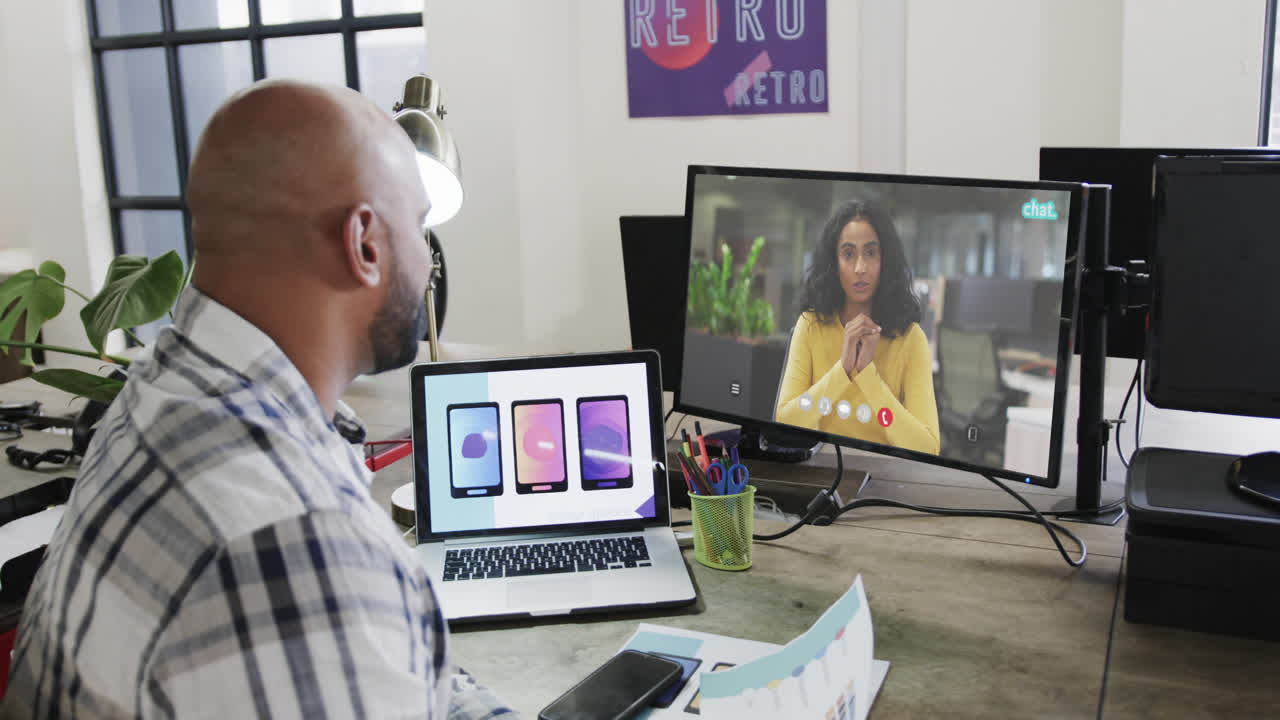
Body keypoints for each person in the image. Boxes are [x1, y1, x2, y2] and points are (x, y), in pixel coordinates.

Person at [2, 80, 515, 719]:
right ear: (363, 243)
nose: (430, 262)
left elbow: (389, 673)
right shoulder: (294, 541)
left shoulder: (160, 393)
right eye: (416, 225)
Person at [775, 199, 940, 455]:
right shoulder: (810, 325)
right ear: (834, 262)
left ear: (886, 261)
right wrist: (843, 371)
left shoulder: (910, 339)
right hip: (818, 473)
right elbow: (785, 423)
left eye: (871, 253)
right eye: (848, 254)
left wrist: (867, 376)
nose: (860, 268)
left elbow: (927, 448)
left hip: (884, 478)